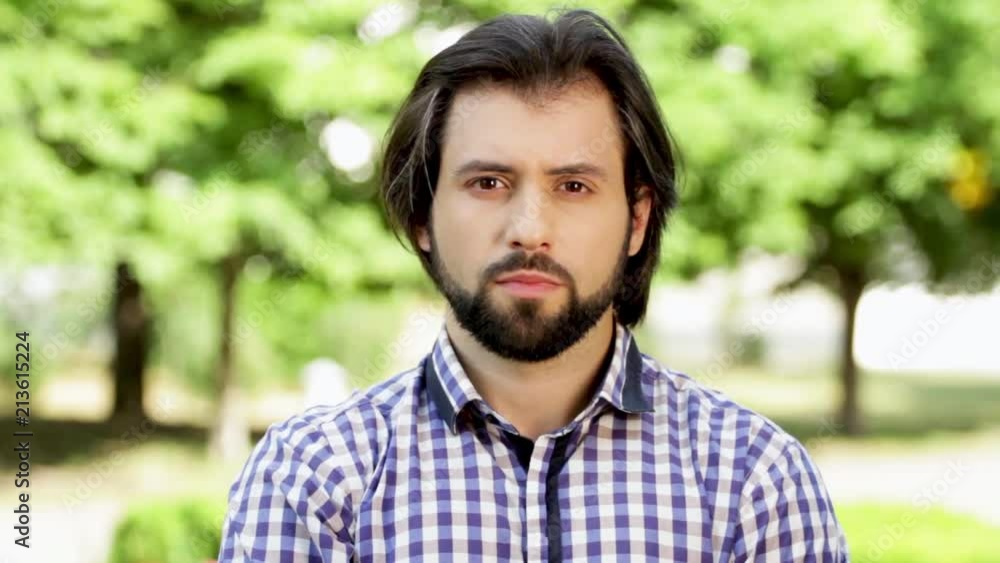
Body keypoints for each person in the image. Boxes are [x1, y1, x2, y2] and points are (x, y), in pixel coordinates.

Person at [219, 8, 850, 562]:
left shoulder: (753, 483)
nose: (529, 230)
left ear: (636, 220)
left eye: (573, 186)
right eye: (488, 183)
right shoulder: (313, 480)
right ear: (422, 218)